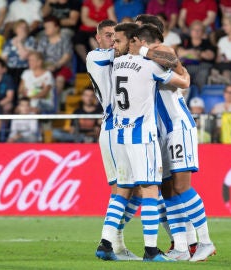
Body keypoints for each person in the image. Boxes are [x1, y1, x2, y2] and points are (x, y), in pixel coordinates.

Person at [97, 23, 191, 262]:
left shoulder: (116, 64)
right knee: (150, 190)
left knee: (123, 191)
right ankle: (151, 250)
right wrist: (181, 70)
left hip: (120, 134)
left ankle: (106, 243)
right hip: (143, 135)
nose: (114, 45)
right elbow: (183, 83)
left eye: (117, 41)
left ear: (129, 41)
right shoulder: (148, 66)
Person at [134, 14, 216, 261]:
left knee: (182, 186)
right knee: (167, 190)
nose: (133, 38)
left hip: (177, 127)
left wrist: (145, 51)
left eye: (137, 32)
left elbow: (177, 66)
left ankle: (205, 241)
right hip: (159, 131)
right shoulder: (140, 58)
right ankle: (180, 246)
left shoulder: (162, 50)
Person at [86, 20, 141, 260]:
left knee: (135, 190)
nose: (112, 41)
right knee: (123, 188)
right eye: (109, 36)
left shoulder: (119, 58)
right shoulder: (95, 57)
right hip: (112, 128)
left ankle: (115, 242)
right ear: (99, 38)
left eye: (116, 37)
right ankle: (107, 242)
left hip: (121, 128)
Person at [37, 16, 73, 99]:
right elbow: (39, 55)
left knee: (59, 80)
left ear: (57, 28)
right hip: (46, 66)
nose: (46, 29)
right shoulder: (43, 40)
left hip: (63, 67)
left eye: (48, 27)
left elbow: (67, 55)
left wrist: (56, 66)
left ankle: (56, 103)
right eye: (45, 27)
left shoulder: (65, 39)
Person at [73, 0, 116, 66]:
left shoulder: (108, 2)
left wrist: (104, 27)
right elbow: (84, 19)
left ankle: (100, 62)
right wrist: (98, 24)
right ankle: (88, 62)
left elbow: (113, 20)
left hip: (102, 30)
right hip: (87, 29)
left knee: (95, 39)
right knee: (77, 39)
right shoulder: (87, 3)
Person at [176, 20, 217, 91]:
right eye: (194, 30)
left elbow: (210, 56)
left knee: (203, 73)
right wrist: (197, 54)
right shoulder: (185, 41)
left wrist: (188, 53)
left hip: (202, 67)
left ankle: (200, 96)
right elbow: (179, 53)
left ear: (203, 32)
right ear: (190, 31)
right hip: (187, 67)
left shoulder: (207, 43)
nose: (196, 32)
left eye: (199, 30)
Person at [1, 19, 36, 87]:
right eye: (21, 27)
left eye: (25, 27)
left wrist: (19, 42)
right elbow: (4, 58)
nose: (23, 29)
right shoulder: (9, 42)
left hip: (24, 68)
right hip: (10, 69)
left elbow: (24, 56)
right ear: (16, 29)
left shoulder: (31, 40)